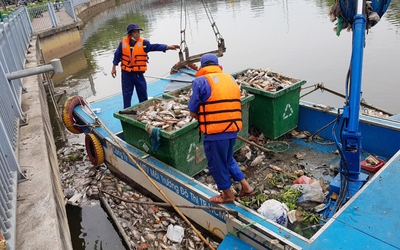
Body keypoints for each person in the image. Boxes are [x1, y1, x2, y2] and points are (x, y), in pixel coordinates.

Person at [188, 53, 253, 204]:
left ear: (203, 67)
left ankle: (227, 195)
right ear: (217, 65)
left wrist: (205, 120)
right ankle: (246, 187)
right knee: (228, 159)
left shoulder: (200, 81)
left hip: (215, 133)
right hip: (233, 129)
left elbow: (192, 110)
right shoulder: (230, 79)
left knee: (216, 164)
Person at [111, 23, 180, 108]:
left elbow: (155, 46)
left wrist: (167, 47)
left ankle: (145, 110)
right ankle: (126, 111)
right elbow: (117, 55)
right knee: (127, 95)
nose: (137, 34)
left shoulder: (144, 43)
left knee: (142, 94)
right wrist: (114, 68)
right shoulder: (123, 43)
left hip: (138, 74)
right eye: (135, 32)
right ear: (130, 34)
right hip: (126, 74)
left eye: (138, 32)